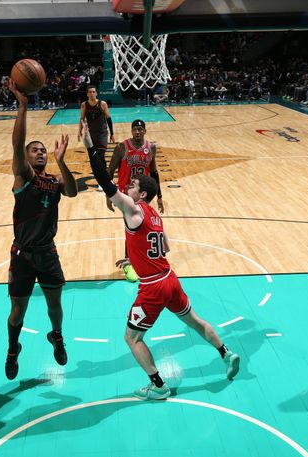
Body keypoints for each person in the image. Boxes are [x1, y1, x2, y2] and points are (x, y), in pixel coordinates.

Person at [81, 120, 240, 400]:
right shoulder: (154, 215)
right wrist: (135, 258)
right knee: (195, 321)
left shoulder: (132, 208)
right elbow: (162, 247)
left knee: (131, 338)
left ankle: (158, 385)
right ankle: (226, 353)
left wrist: (90, 147)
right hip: (170, 279)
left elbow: (105, 182)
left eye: (132, 185)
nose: (127, 185)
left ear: (141, 194)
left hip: (153, 287)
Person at [5, 80, 78, 380]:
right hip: (22, 256)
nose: (40, 153)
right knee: (17, 313)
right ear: (26, 156)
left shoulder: (53, 180)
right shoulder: (22, 178)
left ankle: (57, 336)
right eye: (35, 150)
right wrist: (22, 106)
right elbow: (16, 143)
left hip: (47, 254)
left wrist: (62, 163)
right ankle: (12, 349)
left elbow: (72, 191)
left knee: (55, 309)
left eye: (43, 151)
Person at [107, 119, 164, 282]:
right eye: (135, 129)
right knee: (132, 228)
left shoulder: (151, 148)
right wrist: (108, 195)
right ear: (131, 131)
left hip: (144, 195)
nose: (137, 132)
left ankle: (139, 258)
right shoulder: (122, 147)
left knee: (143, 226)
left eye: (140, 129)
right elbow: (109, 171)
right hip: (126, 195)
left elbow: (154, 173)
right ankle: (128, 263)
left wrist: (159, 196)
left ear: (145, 131)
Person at [77, 85, 114, 163]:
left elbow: (108, 119)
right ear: (87, 94)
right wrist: (79, 131)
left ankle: (103, 173)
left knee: (100, 155)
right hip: (91, 134)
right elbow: (82, 119)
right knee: (94, 157)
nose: (92, 93)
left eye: (94, 92)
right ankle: (100, 173)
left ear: (96, 93)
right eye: (90, 92)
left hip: (102, 134)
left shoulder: (103, 104)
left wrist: (112, 134)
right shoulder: (84, 105)